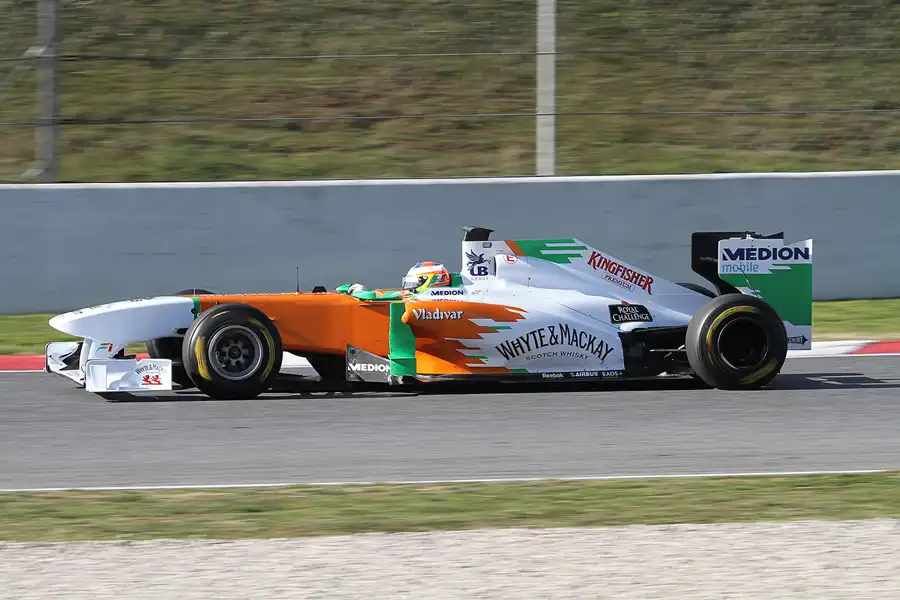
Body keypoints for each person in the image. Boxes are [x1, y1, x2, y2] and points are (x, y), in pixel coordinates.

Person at [338, 261, 451, 300]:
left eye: (413, 282)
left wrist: (359, 291)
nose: (409, 286)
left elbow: (371, 296)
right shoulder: (410, 295)